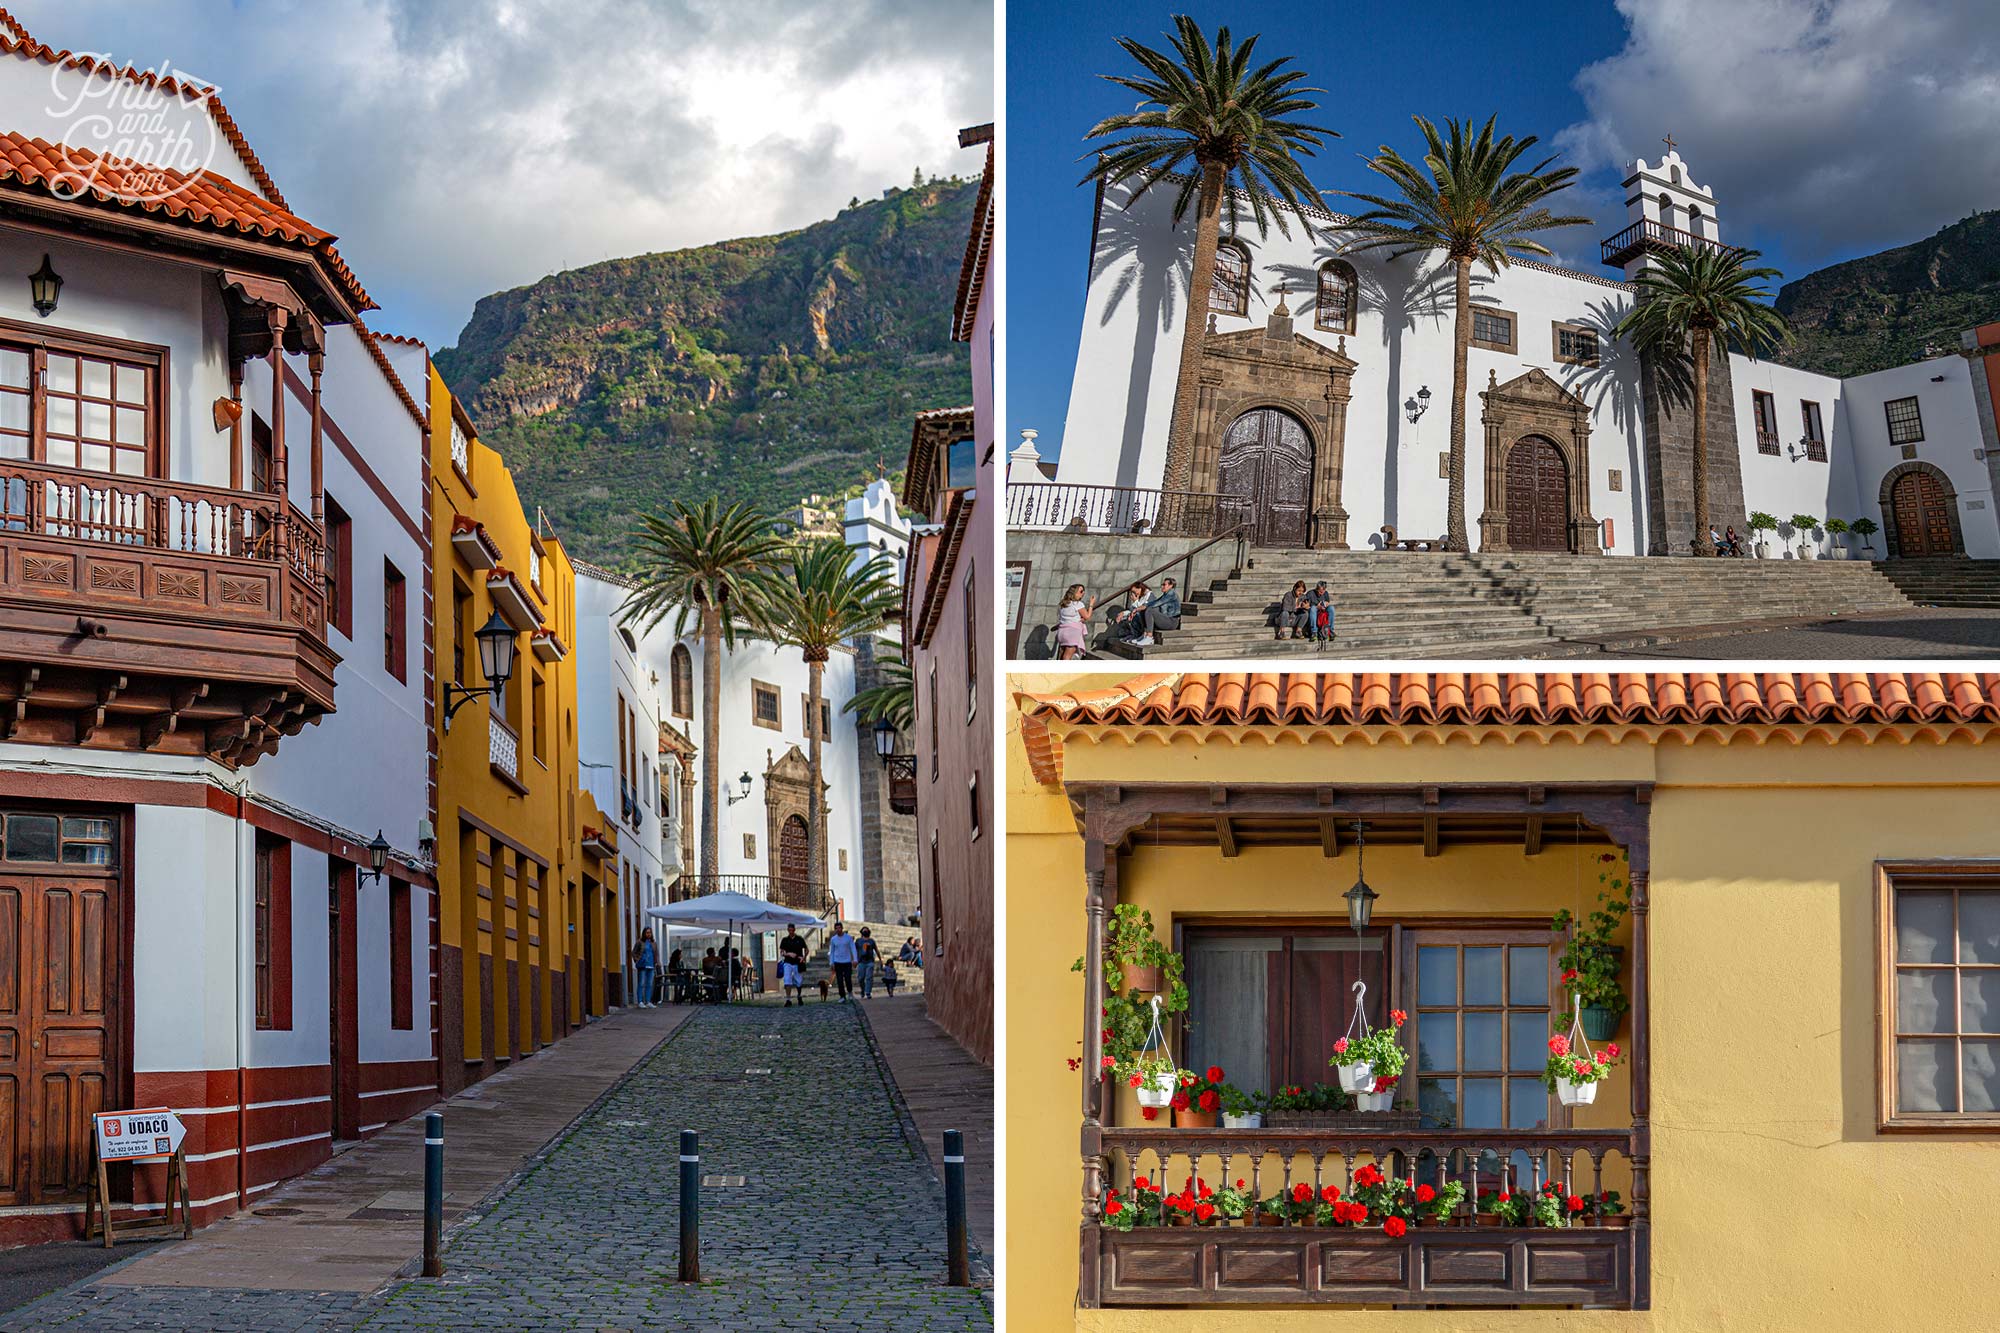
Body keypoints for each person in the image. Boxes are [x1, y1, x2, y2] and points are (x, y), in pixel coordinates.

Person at [1055, 584, 1095, 659]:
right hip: (1072, 633)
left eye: (1083, 591)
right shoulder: (1078, 604)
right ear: (1074, 592)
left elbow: (1069, 618)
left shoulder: (1064, 604)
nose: (1083, 593)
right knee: (1067, 656)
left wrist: (1079, 619)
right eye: (1081, 591)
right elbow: (1087, 616)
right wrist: (1091, 604)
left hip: (1062, 631)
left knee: (1063, 654)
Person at [826, 921, 859, 999]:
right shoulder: (833, 939)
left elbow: (853, 948)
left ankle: (850, 992)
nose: (838, 930)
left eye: (839, 928)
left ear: (842, 928)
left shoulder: (848, 938)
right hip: (837, 962)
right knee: (839, 980)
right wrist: (831, 962)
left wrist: (855, 959)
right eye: (836, 928)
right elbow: (832, 951)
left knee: (848, 978)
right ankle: (842, 996)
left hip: (847, 961)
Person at [779, 926, 808, 1007]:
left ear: (794, 930)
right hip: (788, 962)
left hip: (797, 962)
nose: (791, 932)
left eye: (792, 930)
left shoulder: (799, 939)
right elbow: (782, 952)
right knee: (787, 980)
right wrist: (788, 954)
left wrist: (804, 958)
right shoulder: (785, 940)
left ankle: (799, 995)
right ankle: (788, 999)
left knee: (799, 981)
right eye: (789, 930)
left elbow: (806, 949)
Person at [633, 928, 658, 1009]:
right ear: (644, 933)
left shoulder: (653, 943)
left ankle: (648, 1001)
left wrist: (657, 962)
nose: (648, 934)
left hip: (651, 965)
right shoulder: (640, 942)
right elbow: (634, 952)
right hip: (642, 965)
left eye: (650, 932)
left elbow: (656, 953)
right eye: (647, 932)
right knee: (641, 983)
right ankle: (640, 1001)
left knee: (649, 984)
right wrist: (637, 960)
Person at [857, 926, 881, 998]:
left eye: (866, 930)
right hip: (861, 961)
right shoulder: (858, 941)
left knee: (869, 977)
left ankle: (868, 992)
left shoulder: (871, 941)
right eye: (864, 930)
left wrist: (880, 959)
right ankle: (863, 989)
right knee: (860, 978)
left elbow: (876, 950)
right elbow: (854, 950)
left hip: (870, 961)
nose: (865, 932)